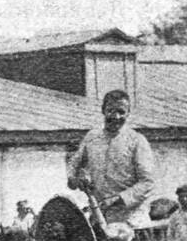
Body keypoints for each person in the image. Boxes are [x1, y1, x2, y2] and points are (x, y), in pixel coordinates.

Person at [67, 89, 158, 227]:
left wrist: (117, 199)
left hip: (130, 219)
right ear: (103, 110)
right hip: (100, 216)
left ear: (128, 113)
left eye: (121, 112)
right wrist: (75, 179)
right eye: (111, 111)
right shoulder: (92, 137)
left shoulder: (137, 141)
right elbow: (74, 163)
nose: (116, 117)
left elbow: (147, 183)